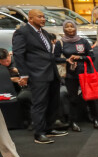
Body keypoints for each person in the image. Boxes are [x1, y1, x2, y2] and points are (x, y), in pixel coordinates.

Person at [12, 8, 79, 144]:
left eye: (44, 17)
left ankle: (49, 128)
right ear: (30, 19)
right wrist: (23, 74)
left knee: (53, 102)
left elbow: (49, 55)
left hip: (51, 72)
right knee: (39, 104)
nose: (43, 19)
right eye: (40, 17)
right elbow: (18, 54)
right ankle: (39, 133)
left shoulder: (44, 33)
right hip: (37, 74)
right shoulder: (22, 32)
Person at [58, 20, 98, 132]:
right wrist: (67, 60)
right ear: (64, 29)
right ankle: (73, 122)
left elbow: (92, 56)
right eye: (67, 27)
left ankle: (95, 119)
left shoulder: (83, 41)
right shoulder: (60, 43)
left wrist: (80, 58)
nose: (70, 29)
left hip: (85, 74)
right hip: (70, 75)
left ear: (75, 28)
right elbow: (55, 58)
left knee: (90, 97)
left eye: (72, 26)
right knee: (73, 99)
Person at [1, 47, 31, 128]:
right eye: (3, 62)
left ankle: (29, 121)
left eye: (7, 61)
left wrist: (19, 72)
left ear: (9, 56)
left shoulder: (18, 60)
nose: (6, 64)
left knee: (23, 97)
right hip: (8, 88)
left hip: (25, 86)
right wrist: (11, 79)